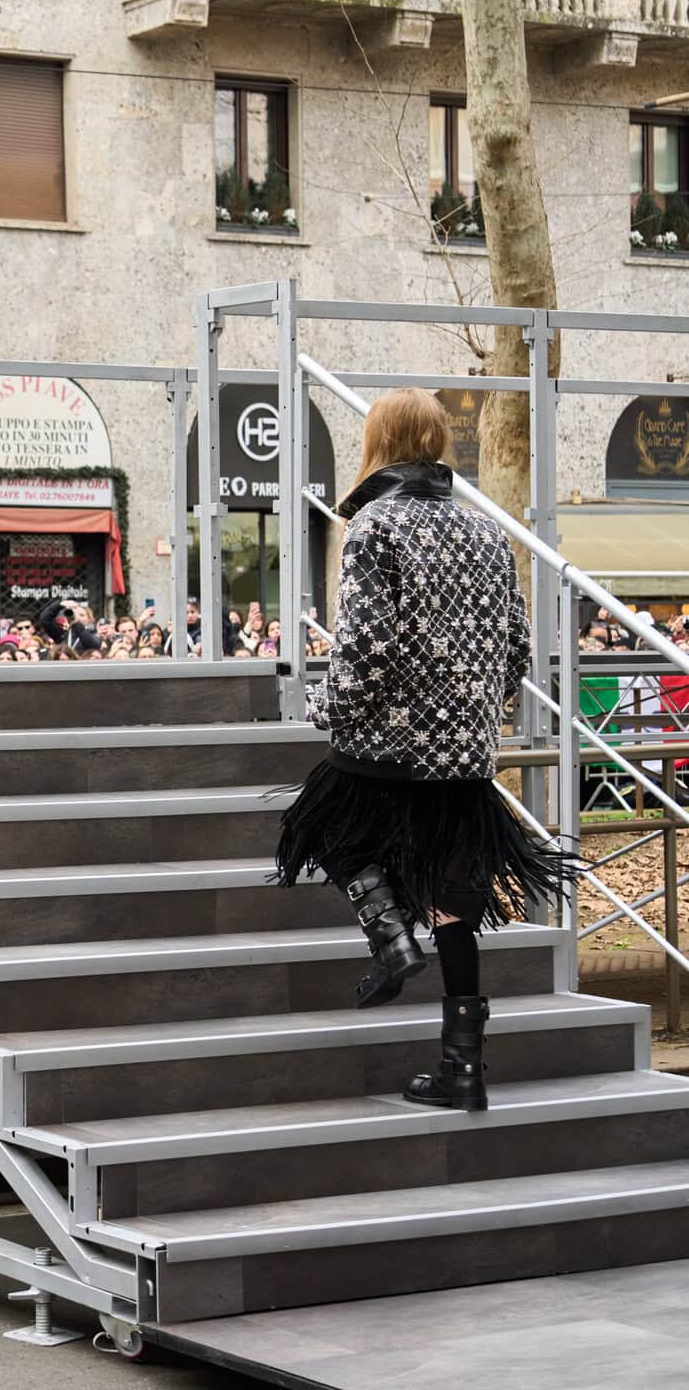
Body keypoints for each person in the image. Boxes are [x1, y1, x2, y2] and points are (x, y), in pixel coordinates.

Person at [273, 389, 579, 1113]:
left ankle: (390, 942)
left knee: (316, 823)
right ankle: (461, 1072)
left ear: (378, 442)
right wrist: (473, 714)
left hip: (387, 743)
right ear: (438, 444)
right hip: (464, 753)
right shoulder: (483, 532)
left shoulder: (374, 526)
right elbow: (515, 652)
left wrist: (325, 707)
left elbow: (365, 648)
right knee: (455, 905)